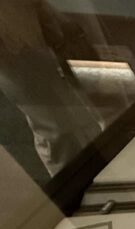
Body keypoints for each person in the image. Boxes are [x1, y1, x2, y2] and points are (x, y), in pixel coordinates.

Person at [0, 0, 103, 176]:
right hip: (8, 45)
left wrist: (51, 16)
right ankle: (73, 182)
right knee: (53, 125)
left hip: (22, 16)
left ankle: (98, 168)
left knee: (79, 108)